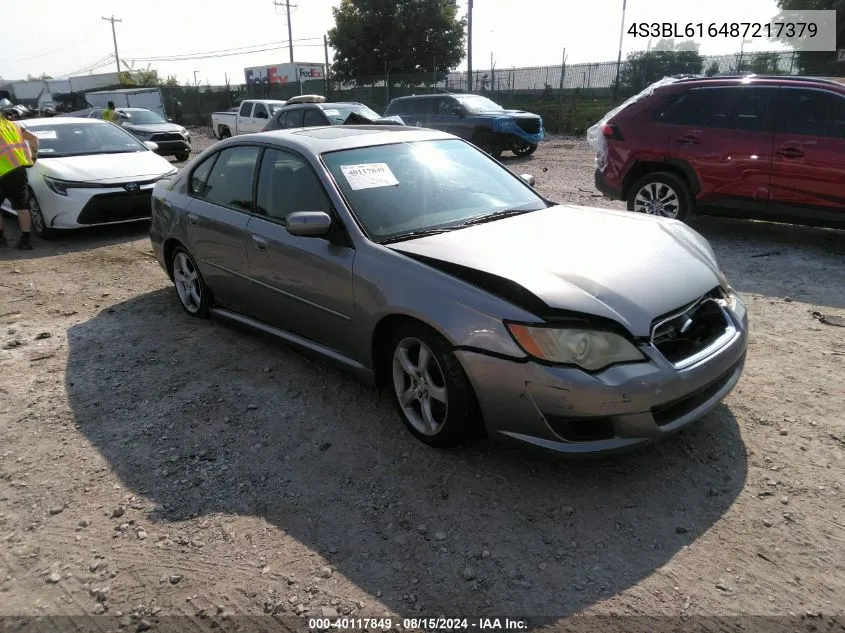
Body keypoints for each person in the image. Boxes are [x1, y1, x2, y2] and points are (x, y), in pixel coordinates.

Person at [0, 111, 39, 249]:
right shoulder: (14, 126)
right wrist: (33, 157)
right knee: (22, 207)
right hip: (18, 171)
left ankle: (1, 240)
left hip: (1, 172)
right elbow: (35, 139)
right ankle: (26, 240)